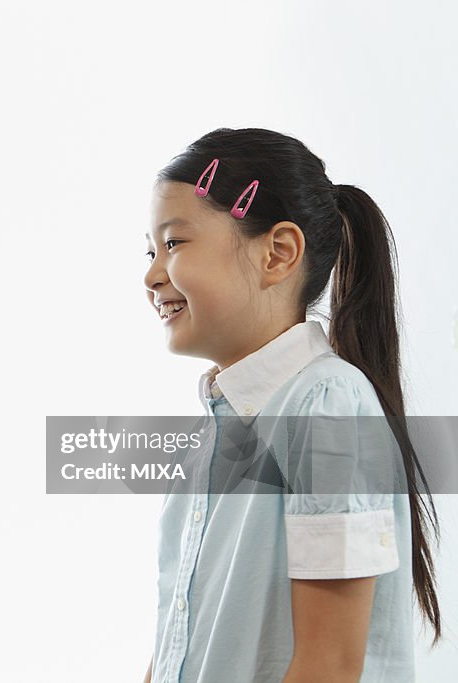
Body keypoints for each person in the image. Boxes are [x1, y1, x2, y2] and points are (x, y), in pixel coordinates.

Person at [141, 129, 440, 682]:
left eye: (175, 244)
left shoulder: (327, 408)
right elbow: (174, 643)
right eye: (149, 250)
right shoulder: (212, 434)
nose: (152, 274)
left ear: (277, 253)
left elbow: (329, 664)